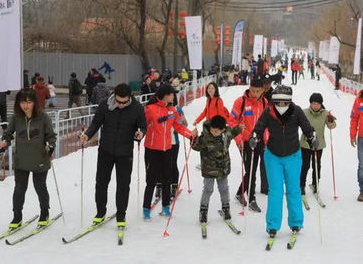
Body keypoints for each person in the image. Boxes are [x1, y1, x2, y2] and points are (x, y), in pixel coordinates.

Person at [252, 85, 316, 237]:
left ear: (290, 102)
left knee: (293, 189)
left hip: (293, 156)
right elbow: (259, 127)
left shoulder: (297, 111)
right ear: (274, 102)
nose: (281, 106)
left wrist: (312, 136)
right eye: (278, 103)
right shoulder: (268, 112)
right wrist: (254, 137)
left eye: (285, 103)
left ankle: (296, 222)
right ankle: (273, 225)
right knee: (275, 191)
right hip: (273, 155)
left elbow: (307, 127)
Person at [80, 83, 146, 227]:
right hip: (105, 150)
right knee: (101, 183)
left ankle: (121, 215)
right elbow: (96, 123)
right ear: (114, 96)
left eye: (124, 102)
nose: (121, 105)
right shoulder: (105, 105)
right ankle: (100, 212)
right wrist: (87, 135)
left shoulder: (137, 108)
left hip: (125, 152)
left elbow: (143, 125)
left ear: (129, 97)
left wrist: (140, 133)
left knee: (123, 185)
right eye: (118, 101)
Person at [0, 88, 57, 227]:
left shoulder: (43, 117)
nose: (25, 105)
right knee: (19, 188)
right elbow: (8, 134)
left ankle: (44, 213)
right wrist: (4, 142)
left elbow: (51, 136)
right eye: (22, 102)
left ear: (34, 102)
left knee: (40, 187)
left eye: (29, 102)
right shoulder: (16, 118)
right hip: (21, 160)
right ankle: (17, 216)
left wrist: (50, 146)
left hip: (40, 159)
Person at [142, 84, 197, 218]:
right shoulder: (150, 109)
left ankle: (166, 206)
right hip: (152, 149)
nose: (174, 96)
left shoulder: (173, 110)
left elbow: (178, 127)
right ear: (165, 95)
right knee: (151, 180)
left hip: (167, 149)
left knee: (167, 178)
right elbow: (141, 125)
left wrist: (191, 134)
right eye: (172, 94)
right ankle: (146, 208)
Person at [192, 115, 242, 223]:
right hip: (209, 169)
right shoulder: (205, 137)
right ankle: (203, 211)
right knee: (208, 189)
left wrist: (240, 128)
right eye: (212, 130)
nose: (214, 132)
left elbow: (233, 133)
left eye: (216, 131)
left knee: (224, 189)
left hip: (223, 169)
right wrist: (193, 137)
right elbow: (196, 147)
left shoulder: (226, 134)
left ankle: (226, 208)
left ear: (223, 130)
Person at [229, 77, 268, 212]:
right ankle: (251, 198)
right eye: (253, 91)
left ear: (263, 90)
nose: (255, 94)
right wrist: (239, 139)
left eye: (258, 91)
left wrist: (266, 139)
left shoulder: (264, 102)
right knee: (250, 169)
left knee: (252, 169)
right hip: (245, 142)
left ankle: (240, 192)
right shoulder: (241, 102)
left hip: (258, 141)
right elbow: (232, 122)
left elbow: (266, 123)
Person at [300, 93, 336, 194]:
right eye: (313, 103)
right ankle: (301, 185)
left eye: (318, 104)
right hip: (305, 144)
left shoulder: (325, 113)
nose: (315, 106)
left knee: (316, 164)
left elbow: (331, 126)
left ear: (321, 104)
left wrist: (331, 119)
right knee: (305, 165)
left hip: (318, 144)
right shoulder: (304, 112)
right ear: (310, 103)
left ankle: (315, 184)